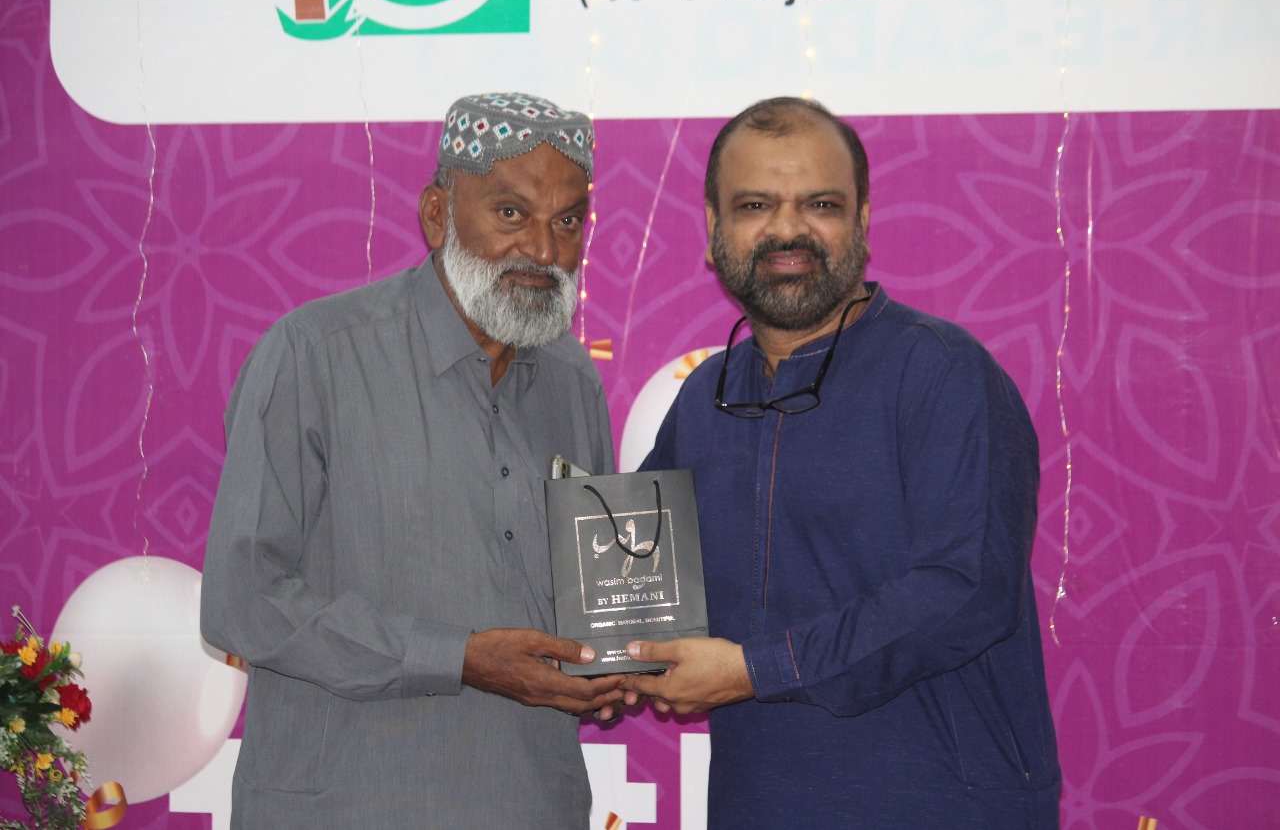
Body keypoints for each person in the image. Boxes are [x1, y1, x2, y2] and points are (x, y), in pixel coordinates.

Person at [622, 97, 1062, 827]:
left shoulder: (943, 373)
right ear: (712, 227)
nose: (787, 229)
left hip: (939, 809)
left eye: (820, 204)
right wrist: (603, 657)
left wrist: (755, 670)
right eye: (755, 204)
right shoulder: (706, 398)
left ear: (862, 220)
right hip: (757, 807)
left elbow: (965, 590)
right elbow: (635, 580)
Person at [201, 92, 626, 829]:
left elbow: (591, 603)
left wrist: (612, 660)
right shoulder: (315, 354)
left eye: (567, 221)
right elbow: (244, 600)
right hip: (347, 808)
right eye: (511, 213)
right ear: (438, 214)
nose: (543, 251)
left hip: (530, 802)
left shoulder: (573, 382)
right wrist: (457, 656)